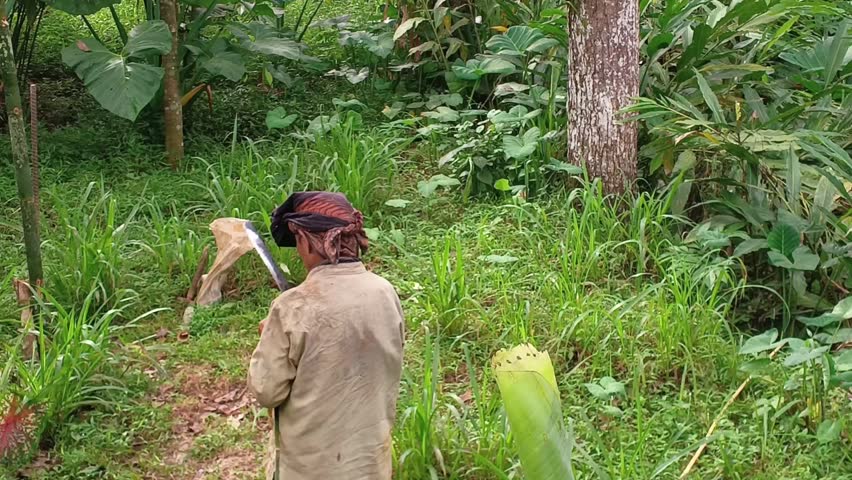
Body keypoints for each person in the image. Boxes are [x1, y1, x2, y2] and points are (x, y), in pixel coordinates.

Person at [247, 191, 405, 480]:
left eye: (296, 243)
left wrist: (265, 340)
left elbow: (267, 391)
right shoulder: (385, 292)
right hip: (370, 464)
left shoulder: (292, 307)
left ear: (306, 241)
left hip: (311, 470)